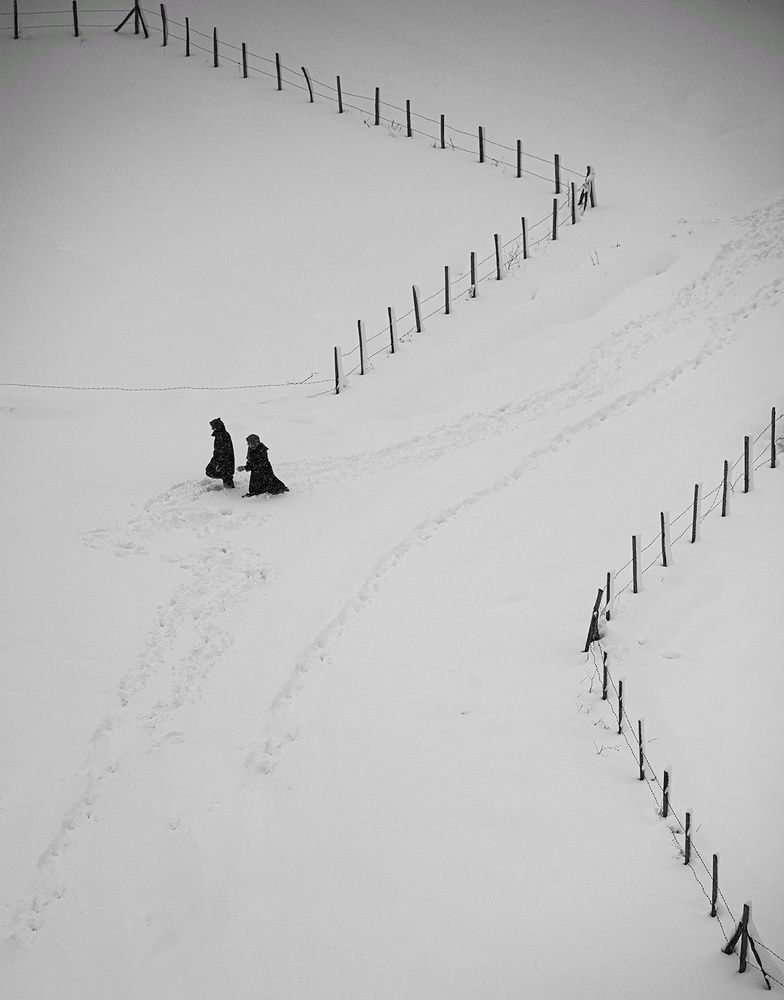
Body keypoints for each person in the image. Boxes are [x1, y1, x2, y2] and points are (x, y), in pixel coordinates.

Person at [205, 417, 235, 489]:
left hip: (225, 462)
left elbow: (225, 453)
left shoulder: (223, 436)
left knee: (224, 474)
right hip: (220, 460)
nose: (212, 429)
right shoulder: (220, 435)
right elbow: (218, 451)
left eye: (213, 427)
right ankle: (227, 477)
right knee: (209, 470)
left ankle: (228, 482)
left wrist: (220, 464)